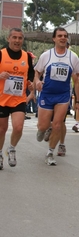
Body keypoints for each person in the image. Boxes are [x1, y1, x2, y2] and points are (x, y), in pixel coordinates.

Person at [34, 27, 79, 165]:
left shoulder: (72, 57)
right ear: (54, 39)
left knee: (57, 125)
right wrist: (37, 81)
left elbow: (77, 80)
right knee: (42, 126)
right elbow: (37, 72)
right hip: (47, 94)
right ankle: (43, 129)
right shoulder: (46, 55)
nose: (63, 38)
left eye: (65, 36)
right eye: (60, 35)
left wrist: (78, 101)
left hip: (62, 96)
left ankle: (50, 152)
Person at [0, 28, 35, 170]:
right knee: (1, 130)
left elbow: (30, 73)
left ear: (23, 40)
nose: (17, 41)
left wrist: (31, 83)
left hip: (18, 98)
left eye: (20, 38)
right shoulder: (1, 54)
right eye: (14, 37)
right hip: (2, 99)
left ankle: (12, 148)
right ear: (8, 39)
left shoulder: (26, 56)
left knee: (18, 127)